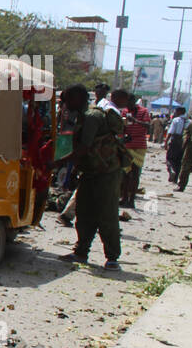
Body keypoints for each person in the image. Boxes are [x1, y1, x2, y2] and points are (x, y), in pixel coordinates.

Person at [52, 84, 122, 270]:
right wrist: (75, 171)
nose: (64, 104)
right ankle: (81, 252)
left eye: (66, 100)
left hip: (106, 173)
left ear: (77, 98)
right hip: (91, 172)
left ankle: (112, 258)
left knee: (106, 214)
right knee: (83, 213)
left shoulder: (92, 117)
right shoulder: (84, 117)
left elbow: (83, 149)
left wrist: (57, 164)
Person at [118, 90, 151, 209]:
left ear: (133, 101)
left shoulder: (143, 111)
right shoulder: (125, 111)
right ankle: (124, 197)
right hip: (127, 144)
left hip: (139, 145)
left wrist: (134, 120)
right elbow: (121, 127)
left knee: (135, 173)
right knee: (126, 173)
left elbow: (148, 126)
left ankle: (131, 200)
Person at [176, 111, 192, 194]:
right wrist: (185, 139)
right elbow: (187, 131)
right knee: (185, 167)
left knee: (186, 167)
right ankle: (181, 185)